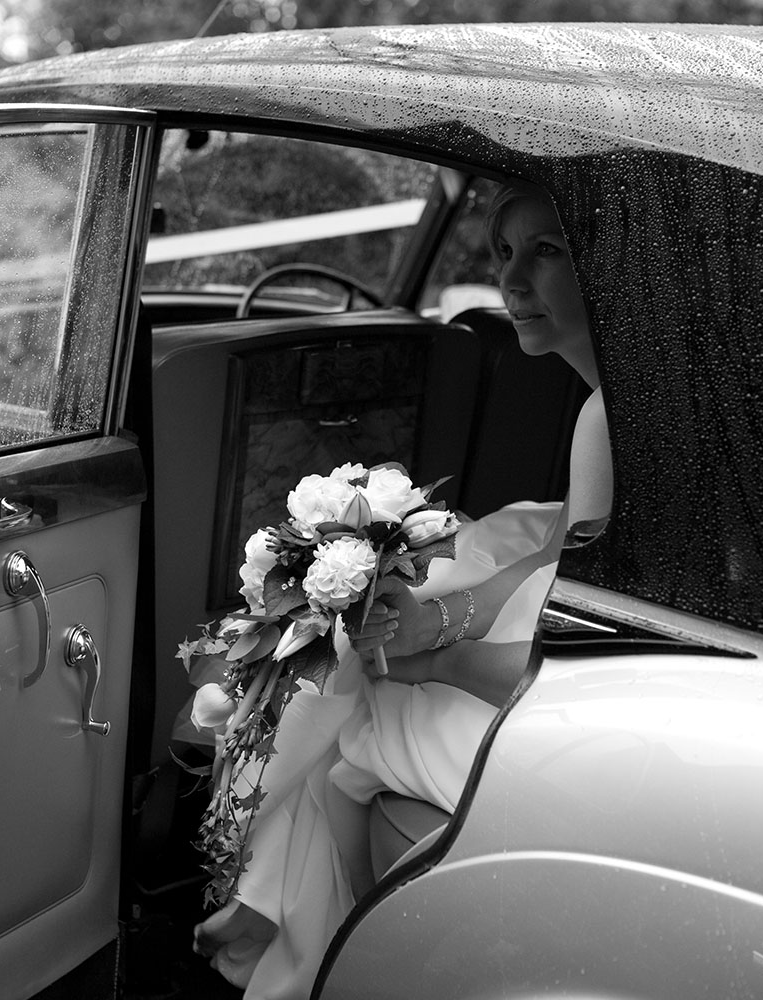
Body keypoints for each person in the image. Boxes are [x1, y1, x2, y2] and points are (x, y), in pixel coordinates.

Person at [192, 176, 613, 999]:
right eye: (502, 252)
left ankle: (311, 934)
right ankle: (277, 895)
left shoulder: (611, 418)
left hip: (568, 689)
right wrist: (443, 621)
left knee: (355, 721)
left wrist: (441, 663)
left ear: (604, 265)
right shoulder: (614, 400)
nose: (512, 280)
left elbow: (574, 638)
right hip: (555, 635)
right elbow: (557, 554)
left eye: (547, 251)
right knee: (371, 652)